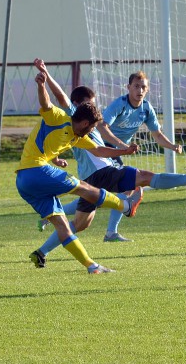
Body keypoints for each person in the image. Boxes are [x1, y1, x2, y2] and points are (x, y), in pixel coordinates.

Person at [29, 59, 186, 267]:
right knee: (144, 178)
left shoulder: (81, 124)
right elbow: (59, 97)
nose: (93, 106)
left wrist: (122, 150)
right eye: (90, 103)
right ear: (78, 105)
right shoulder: (74, 115)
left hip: (90, 178)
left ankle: (41, 252)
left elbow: (82, 146)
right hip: (102, 171)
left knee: (80, 223)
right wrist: (46, 75)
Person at [16, 70, 141, 273]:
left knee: (64, 227)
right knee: (84, 187)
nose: (93, 131)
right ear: (84, 123)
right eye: (92, 128)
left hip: (24, 182)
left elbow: (99, 150)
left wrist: (123, 150)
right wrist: (41, 85)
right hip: (35, 171)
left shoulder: (77, 136)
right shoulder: (60, 118)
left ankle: (92, 267)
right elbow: (48, 103)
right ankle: (124, 205)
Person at [97, 70, 185, 242]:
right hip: (101, 149)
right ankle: (110, 232)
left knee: (100, 193)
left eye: (143, 87)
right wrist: (123, 146)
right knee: (121, 188)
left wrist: (173, 146)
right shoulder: (119, 104)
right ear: (128, 87)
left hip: (115, 151)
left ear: (148, 89)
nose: (139, 90)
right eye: (136, 86)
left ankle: (110, 232)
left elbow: (157, 135)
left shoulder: (146, 109)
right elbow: (102, 127)